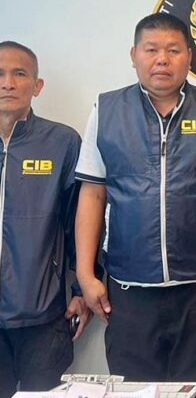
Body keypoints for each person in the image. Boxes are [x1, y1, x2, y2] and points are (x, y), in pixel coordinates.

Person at [74, 13, 196, 382]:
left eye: (173, 50)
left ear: (189, 56)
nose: (162, 60)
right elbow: (92, 194)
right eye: (151, 50)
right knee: (134, 388)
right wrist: (85, 273)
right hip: (128, 289)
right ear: (134, 55)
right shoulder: (106, 111)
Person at [0, 41, 91, 397]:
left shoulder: (62, 143)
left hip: (42, 316)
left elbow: (82, 223)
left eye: (19, 74)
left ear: (37, 86)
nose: (8, 83)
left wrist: (82, 289)